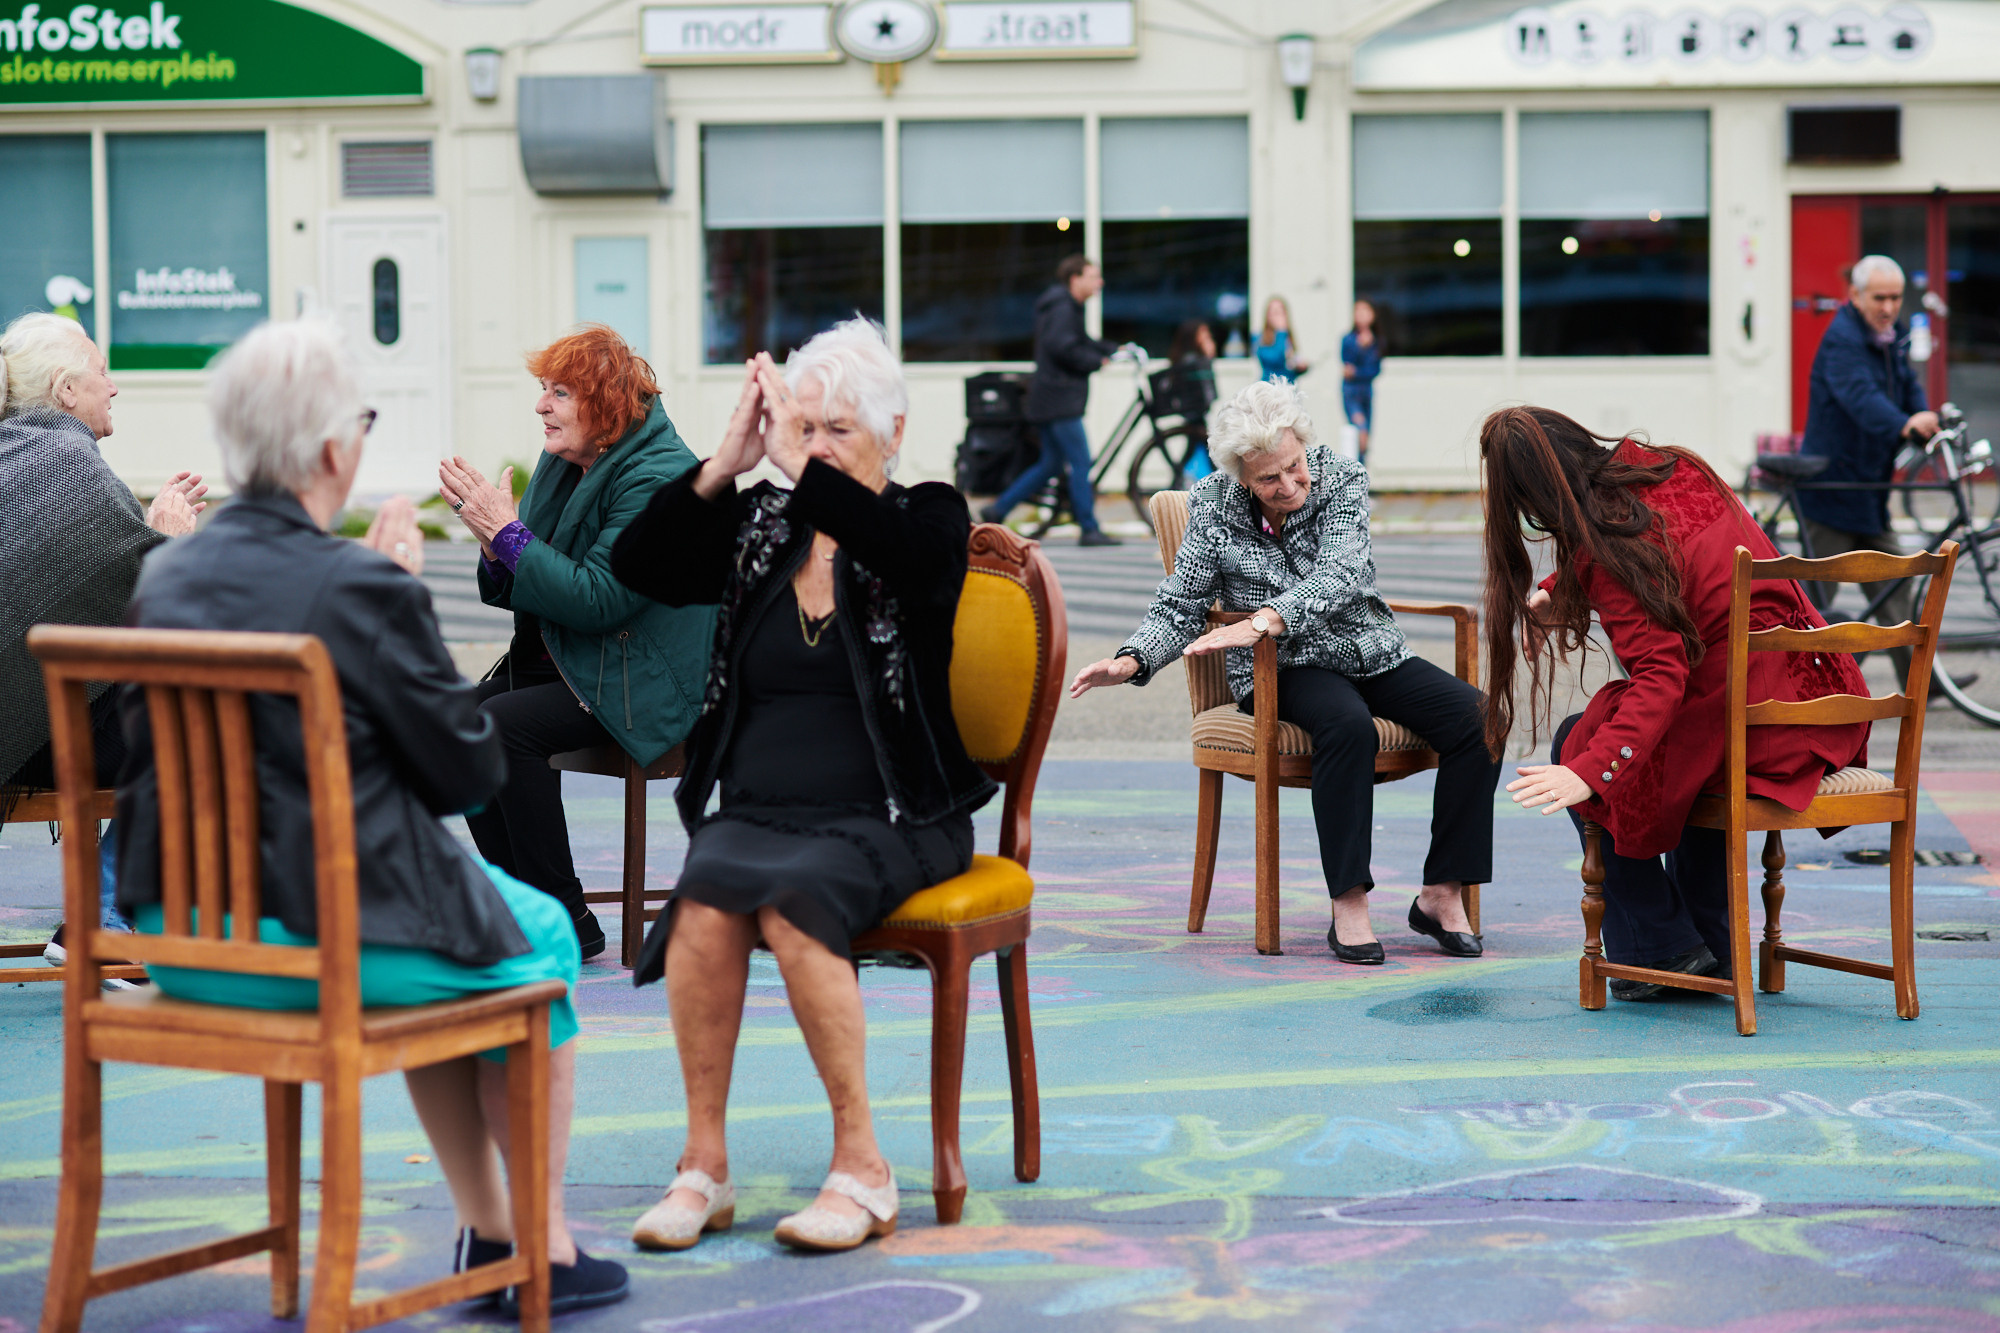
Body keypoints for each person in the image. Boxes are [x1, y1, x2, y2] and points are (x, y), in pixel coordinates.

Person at [116, 319, 627, 1312]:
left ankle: (491, 1230)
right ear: (329, 447)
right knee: (537, 934)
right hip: (317, 939)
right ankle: (543, 1249)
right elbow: (469, 775)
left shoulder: (164, 574)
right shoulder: (353, 584)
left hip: (177, 933)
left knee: (462, 946)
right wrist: (400, 596)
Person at [608, 320, 993, 1254]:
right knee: (702, 896)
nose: (812, 447)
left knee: (793, 896)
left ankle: (863, 1165)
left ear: (893, 431)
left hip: (896, 811)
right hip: (759, 808)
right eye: (804, 428)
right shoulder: (761, 525)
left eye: (836, 432)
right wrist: (722, 466)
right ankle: (705, 1166)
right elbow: (639, 567)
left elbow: (921, 567)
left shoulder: (928, 514)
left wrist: (803, 472)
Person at [1070, 380, 1500, 964]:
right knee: (1348, 726)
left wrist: (1269, 616)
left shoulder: (1342, 476)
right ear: (1242, 476)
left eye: (1294, 466)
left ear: (1305, 447)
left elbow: (1344, 570)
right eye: (1269, 478)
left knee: (1478, 718)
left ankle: (1440, 893)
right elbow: (1181, 605)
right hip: (1282, 669)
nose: (1290, 485)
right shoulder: (1213, 505)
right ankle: (1348, 903)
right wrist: (1132, 659)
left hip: (1365, 648)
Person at [1483, 407, 1871, 999]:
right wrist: (1565, 586)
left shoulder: (1602, 546)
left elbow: (1660, 675)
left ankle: (1661, 948)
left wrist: (1590, 774)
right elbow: (1675, 556)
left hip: (1749, 721)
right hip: (1818, 700)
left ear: (1533, 500)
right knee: (1664, 743)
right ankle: (1710, 947)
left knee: (1582, 741)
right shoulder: (1674, 467)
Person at [441, 325, 715, 962]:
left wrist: (506, 532)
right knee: (454, 719)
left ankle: (560, 918)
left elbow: (598, 600)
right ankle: (523, 906)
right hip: (581, 664)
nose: (541, 406)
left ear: (607, 405)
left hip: (645, 679)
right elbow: (529, 578)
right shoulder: (567, 461)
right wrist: (495, 539)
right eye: (543, 390)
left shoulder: (661, 478)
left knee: (502, 727)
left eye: (559, 393)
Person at [0, 311, 205, 975]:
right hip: (37, 743)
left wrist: (143, 539)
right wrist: (169, 543)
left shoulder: (18, 453)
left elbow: (86, 581)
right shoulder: (70, 464)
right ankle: (103, 914)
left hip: (24, 724)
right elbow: (163, 615)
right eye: (101, 372)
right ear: (66, 391)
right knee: (203, 711)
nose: (112, 388)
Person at [1796, 254, 1946, 686]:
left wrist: (1922, 414)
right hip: (1832, 488)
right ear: (1855, 296)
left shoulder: (1888, 335)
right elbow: (1859, 397)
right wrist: (1903, 424)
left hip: (1868, 488)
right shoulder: (1842, 339)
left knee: (1894, 585)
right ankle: (1783, 677)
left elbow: (1907, 385)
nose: (1888, 307)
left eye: (1896, 298)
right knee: (1811, 601)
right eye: (1879, 297)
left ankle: (1924, 683)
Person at [980, 255, 1121, 546]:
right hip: (1059, 400)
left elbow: (1079, 340)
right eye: (1093, 276)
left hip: (1050, 397)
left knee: (1051, 463)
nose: (1100, 282)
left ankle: (997, 509)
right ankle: (1089, 528)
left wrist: (1112, 348)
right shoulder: (1062, 309)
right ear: (1075, 279)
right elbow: (1063, 347)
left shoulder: (1065, 307)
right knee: (1080, 461)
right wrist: (1097, 361)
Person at [1167, 318, 1220, 481]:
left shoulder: (1188, 357)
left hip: (1195, 414)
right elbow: (1201, 383)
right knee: (1206, 451)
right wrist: (1208, 356)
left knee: (1198, 450)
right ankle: (1223, 485)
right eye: (1203, 334)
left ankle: (1175, 483)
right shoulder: (1192, 359)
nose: (1207, 337)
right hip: (1194, 414)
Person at [1340, 299, 1383, 464]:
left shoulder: (1377, 341)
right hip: (1351, 393)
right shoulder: (1348, 340)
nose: (1361, 315)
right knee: (1361, 431)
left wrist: (1357, 371)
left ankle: (1361, 477)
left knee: (1366, 440)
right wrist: (1360, 348)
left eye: (1365, 311)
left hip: (1366, 393)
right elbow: (1347, 367)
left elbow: (1374, 370)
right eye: (1357, 311)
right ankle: (1354, 474)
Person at [1255, 296, 1309, 383]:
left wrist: (1300, 367)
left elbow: (1288, 366)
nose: (1279, 317)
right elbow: (1275, 358)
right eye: (1275, 312)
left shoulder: (1288, 337)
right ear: (1268, 315)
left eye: (1281, 312)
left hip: (1288, 387)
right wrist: (1281, 331)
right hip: (1270, 388)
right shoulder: (1260, 338)